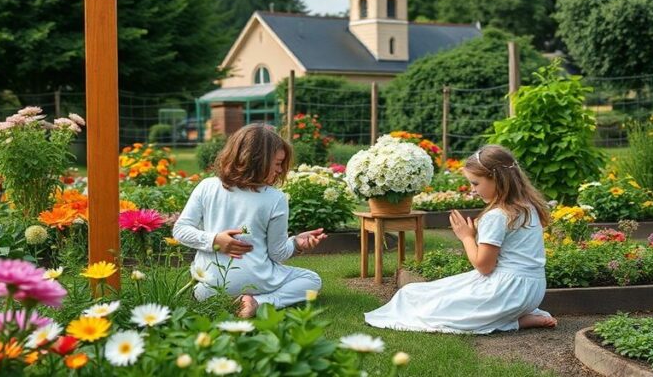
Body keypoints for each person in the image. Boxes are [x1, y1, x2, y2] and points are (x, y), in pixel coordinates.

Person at [364, 144, 557, 333]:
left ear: (496, 179)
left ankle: (515, 321)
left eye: (476, 183)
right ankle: (513, 316)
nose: (472, 189)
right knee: (421, 293)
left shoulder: (497, 216)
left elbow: (484, 266)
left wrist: (466, 237)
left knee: (429, 305)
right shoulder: (529, 208)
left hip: (508, 293)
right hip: (532, 291)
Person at [173, 123, 327, 318]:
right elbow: (277, 254)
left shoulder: (207, 187)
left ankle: (233, 300)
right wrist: (296, 244)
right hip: (258, 284)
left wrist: (214, 240)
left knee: (203, 288)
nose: (280, 170)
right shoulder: (275, 198)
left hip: (207, 289)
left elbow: (180, 231)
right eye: (278, 163)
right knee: (312, 280)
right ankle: (258, 302)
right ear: (258, 161)